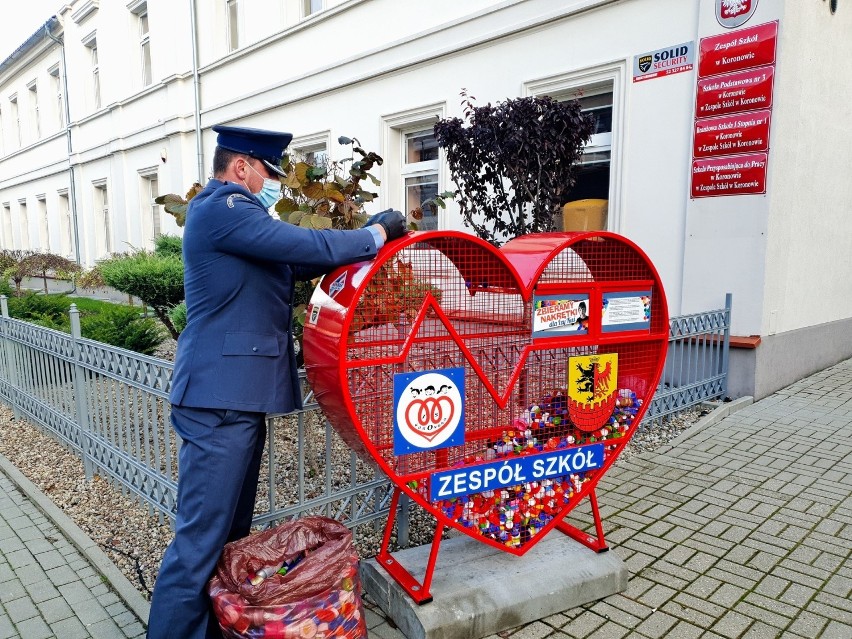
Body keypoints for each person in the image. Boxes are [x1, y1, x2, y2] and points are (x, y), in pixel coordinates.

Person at [146, 125, 406, 639]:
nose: (273, 185)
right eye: (268, 172)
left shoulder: (244, 226)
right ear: (241, 166)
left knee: (229, 536)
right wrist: (374, 234)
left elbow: (301, 259)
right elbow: (301, 241)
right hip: (218, 401)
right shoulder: (222, 209)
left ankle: (215, 627)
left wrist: (362, 247)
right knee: (200, 542)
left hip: (236, 399)